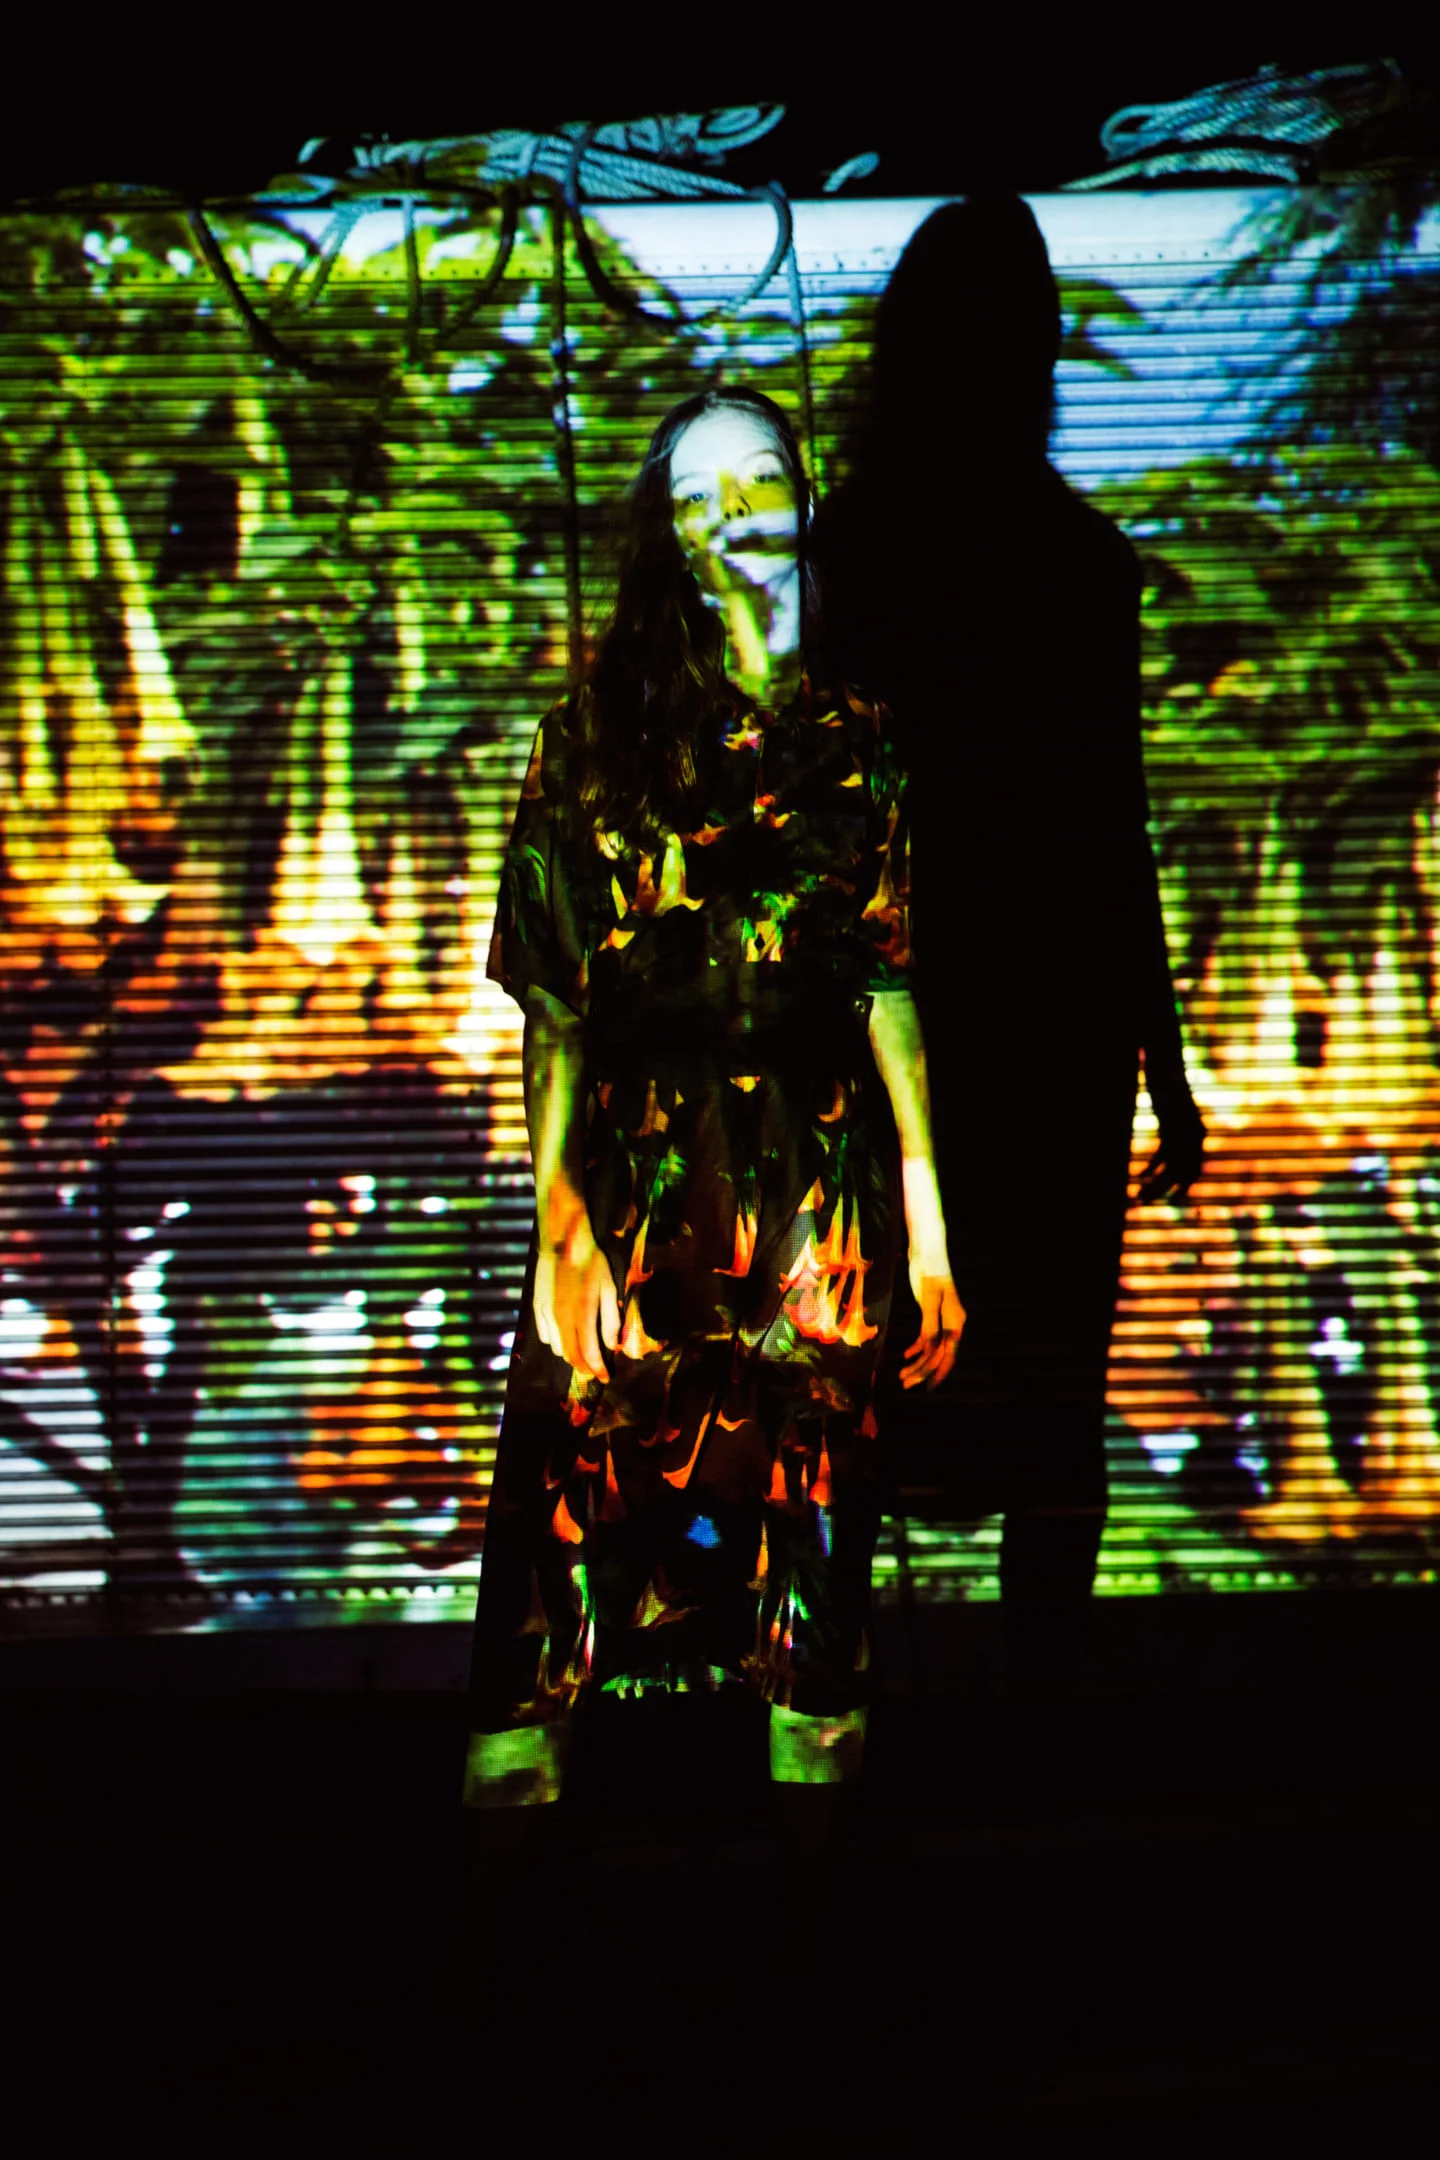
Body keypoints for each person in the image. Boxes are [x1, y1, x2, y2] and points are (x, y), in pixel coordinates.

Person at [462, 387, 964, 1806]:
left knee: (817, 1587)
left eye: (759, 481)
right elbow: (554, 1008)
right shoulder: (593, 738)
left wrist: (931, 1233)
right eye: (699, 493)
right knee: (552, 1579)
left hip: (821, 1201)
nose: (735, 515)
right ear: (667, 536)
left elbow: (888, 987)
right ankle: (504, 1914)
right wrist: (563, 1224)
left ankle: (814, 1921)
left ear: (805, 499)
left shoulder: (865, 736)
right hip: (638, 1186)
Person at [813, 197, 1206, 1698]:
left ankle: (833, 1729)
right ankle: (1042, 1720)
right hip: (1046, 1033)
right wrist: (1162, 1065)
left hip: (893, 1026)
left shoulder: (846, 555)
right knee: (1047, 1396)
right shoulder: (1076, 563)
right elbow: (1112, 825)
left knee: (866, 1393)